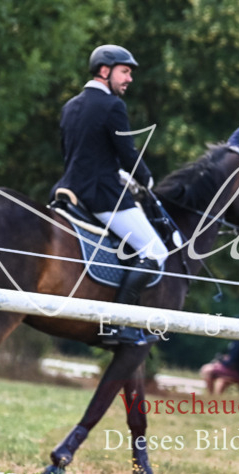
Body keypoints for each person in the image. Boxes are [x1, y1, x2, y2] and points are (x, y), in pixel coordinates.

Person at [53, 44, 168, 345]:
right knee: (156, 251)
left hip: (68, 190)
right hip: (102, 196)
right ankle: (118, 324)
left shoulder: (70, 106)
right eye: (125, 71)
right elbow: (127, 152)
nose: (129, 79)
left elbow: (78, 154)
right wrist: (145, 178)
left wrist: (115, 171)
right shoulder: (112, 106)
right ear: (105, 71)